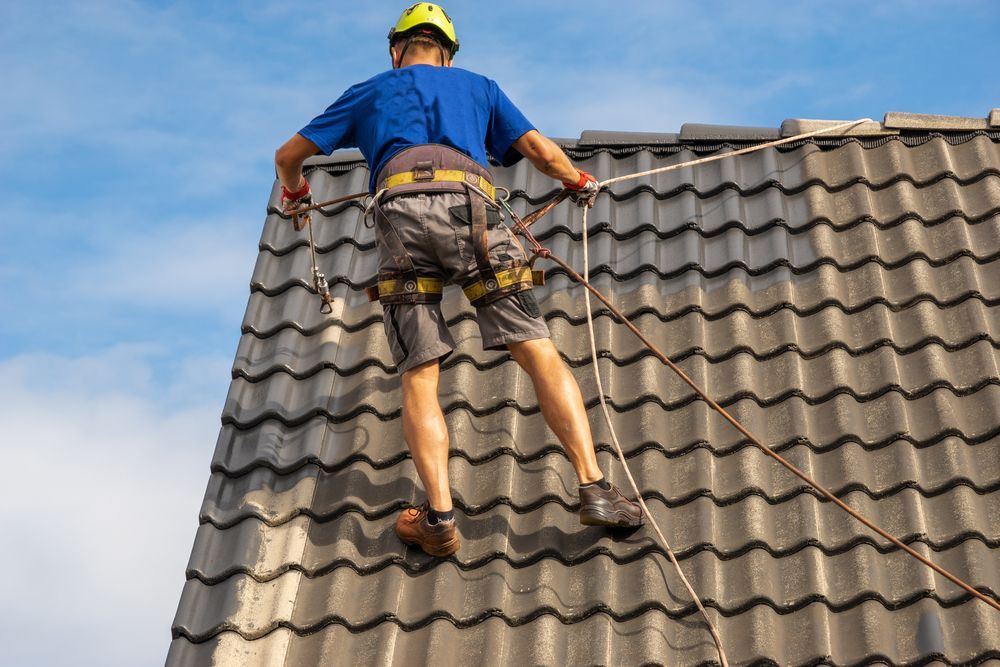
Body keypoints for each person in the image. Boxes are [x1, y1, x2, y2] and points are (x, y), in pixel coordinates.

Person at [274, 3, 642, 557]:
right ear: (447, 53)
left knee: (420, 375)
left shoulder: (370, 91)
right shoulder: (479, 87)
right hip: (473, 214)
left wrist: (297, 192)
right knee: (537, 350)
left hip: (399, 221)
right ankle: (594, 488)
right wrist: (577, 179)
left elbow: (287, 156)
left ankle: (440, 519)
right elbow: (542, 153)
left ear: (397, 50)